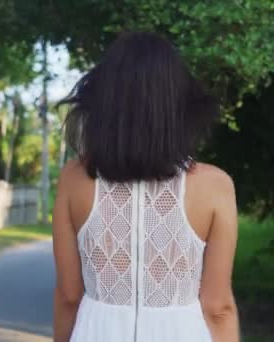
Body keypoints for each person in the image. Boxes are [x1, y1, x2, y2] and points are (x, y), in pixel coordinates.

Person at [52, 31, 240, 342]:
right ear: (177, 103)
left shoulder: (74, 179)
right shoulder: (215, 186)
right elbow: (218, 307)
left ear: (105, 101)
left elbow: (69, 296)